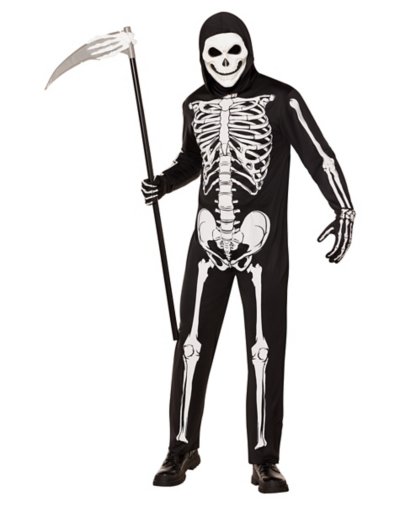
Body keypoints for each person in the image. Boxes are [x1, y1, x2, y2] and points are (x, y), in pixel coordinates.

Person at [140, 11, 355, 493]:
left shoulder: (280, 99)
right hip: (206, 242)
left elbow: (319, 155)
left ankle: (264, 458)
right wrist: (165, 183)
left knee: (264, 348)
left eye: (233, 50)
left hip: (263, 243)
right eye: (213, 52)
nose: (224, 60)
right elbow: (193, 159)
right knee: (191, 345)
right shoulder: (194, 104)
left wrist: (343, 207)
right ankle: (181, 447)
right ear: (201, 56)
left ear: (248, 50)